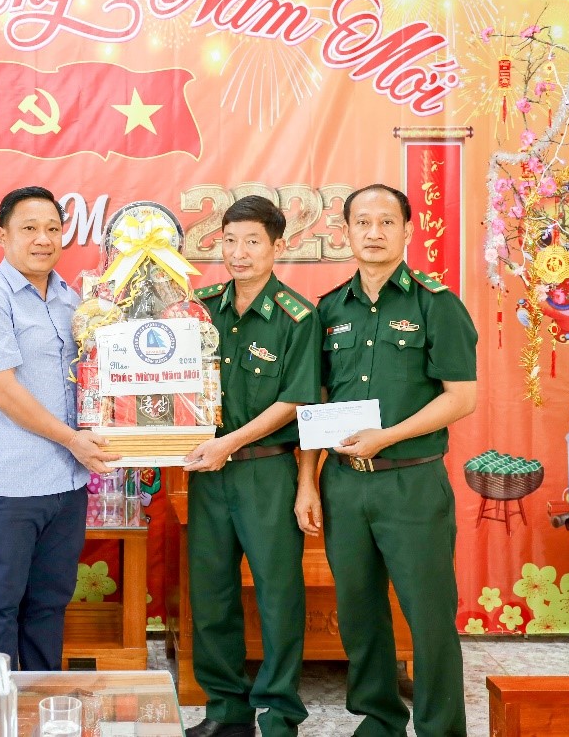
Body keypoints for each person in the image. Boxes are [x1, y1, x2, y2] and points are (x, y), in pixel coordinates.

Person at [300, 183, 478, 737]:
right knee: (359, 614)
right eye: (362, 222)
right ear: (345, 232)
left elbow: (461, 398)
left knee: (429, 616)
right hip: (345, 485)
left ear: (407, 230)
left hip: (412, 484)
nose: (373, 233)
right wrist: (308, 482)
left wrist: (388, 436)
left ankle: (441, 728)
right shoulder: (329, 309)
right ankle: (379, 721)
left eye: (386, 222)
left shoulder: (435, 303)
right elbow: (315, 401)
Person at [0, 185, 119, 670]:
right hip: (10, 482)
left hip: (66, 481)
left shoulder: (74, 300)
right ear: (1, 235)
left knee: (50, 602)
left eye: (52, 228)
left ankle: (42, 699)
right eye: (29, 228)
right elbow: (0, 390)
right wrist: (73, 440)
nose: (42, 239)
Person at [185, 195, 320, 737]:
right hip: (208, 475)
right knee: (211, 594)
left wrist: (231, 443)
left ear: (277, 246)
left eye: (252, 242)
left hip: (267, 472)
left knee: (278, 594)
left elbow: (296, 400)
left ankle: (280, 712)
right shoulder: (198, 309)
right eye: (230, 241)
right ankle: (226, 710)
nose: (238, 253)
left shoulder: (297, 316)